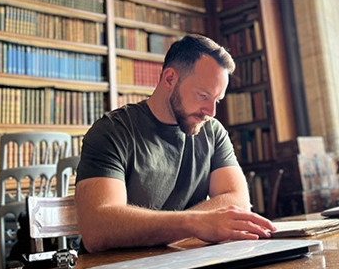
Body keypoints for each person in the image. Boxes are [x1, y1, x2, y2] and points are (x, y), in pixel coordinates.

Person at [75, 34, 277, 253]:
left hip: (183, 264)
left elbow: (237, 201)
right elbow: (97, 231)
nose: (211, 112)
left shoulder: (213, 131)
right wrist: (195, 223)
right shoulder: (112, 132)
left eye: (216, 100)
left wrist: (185, 226)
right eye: (203, 95)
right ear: (170, 79)